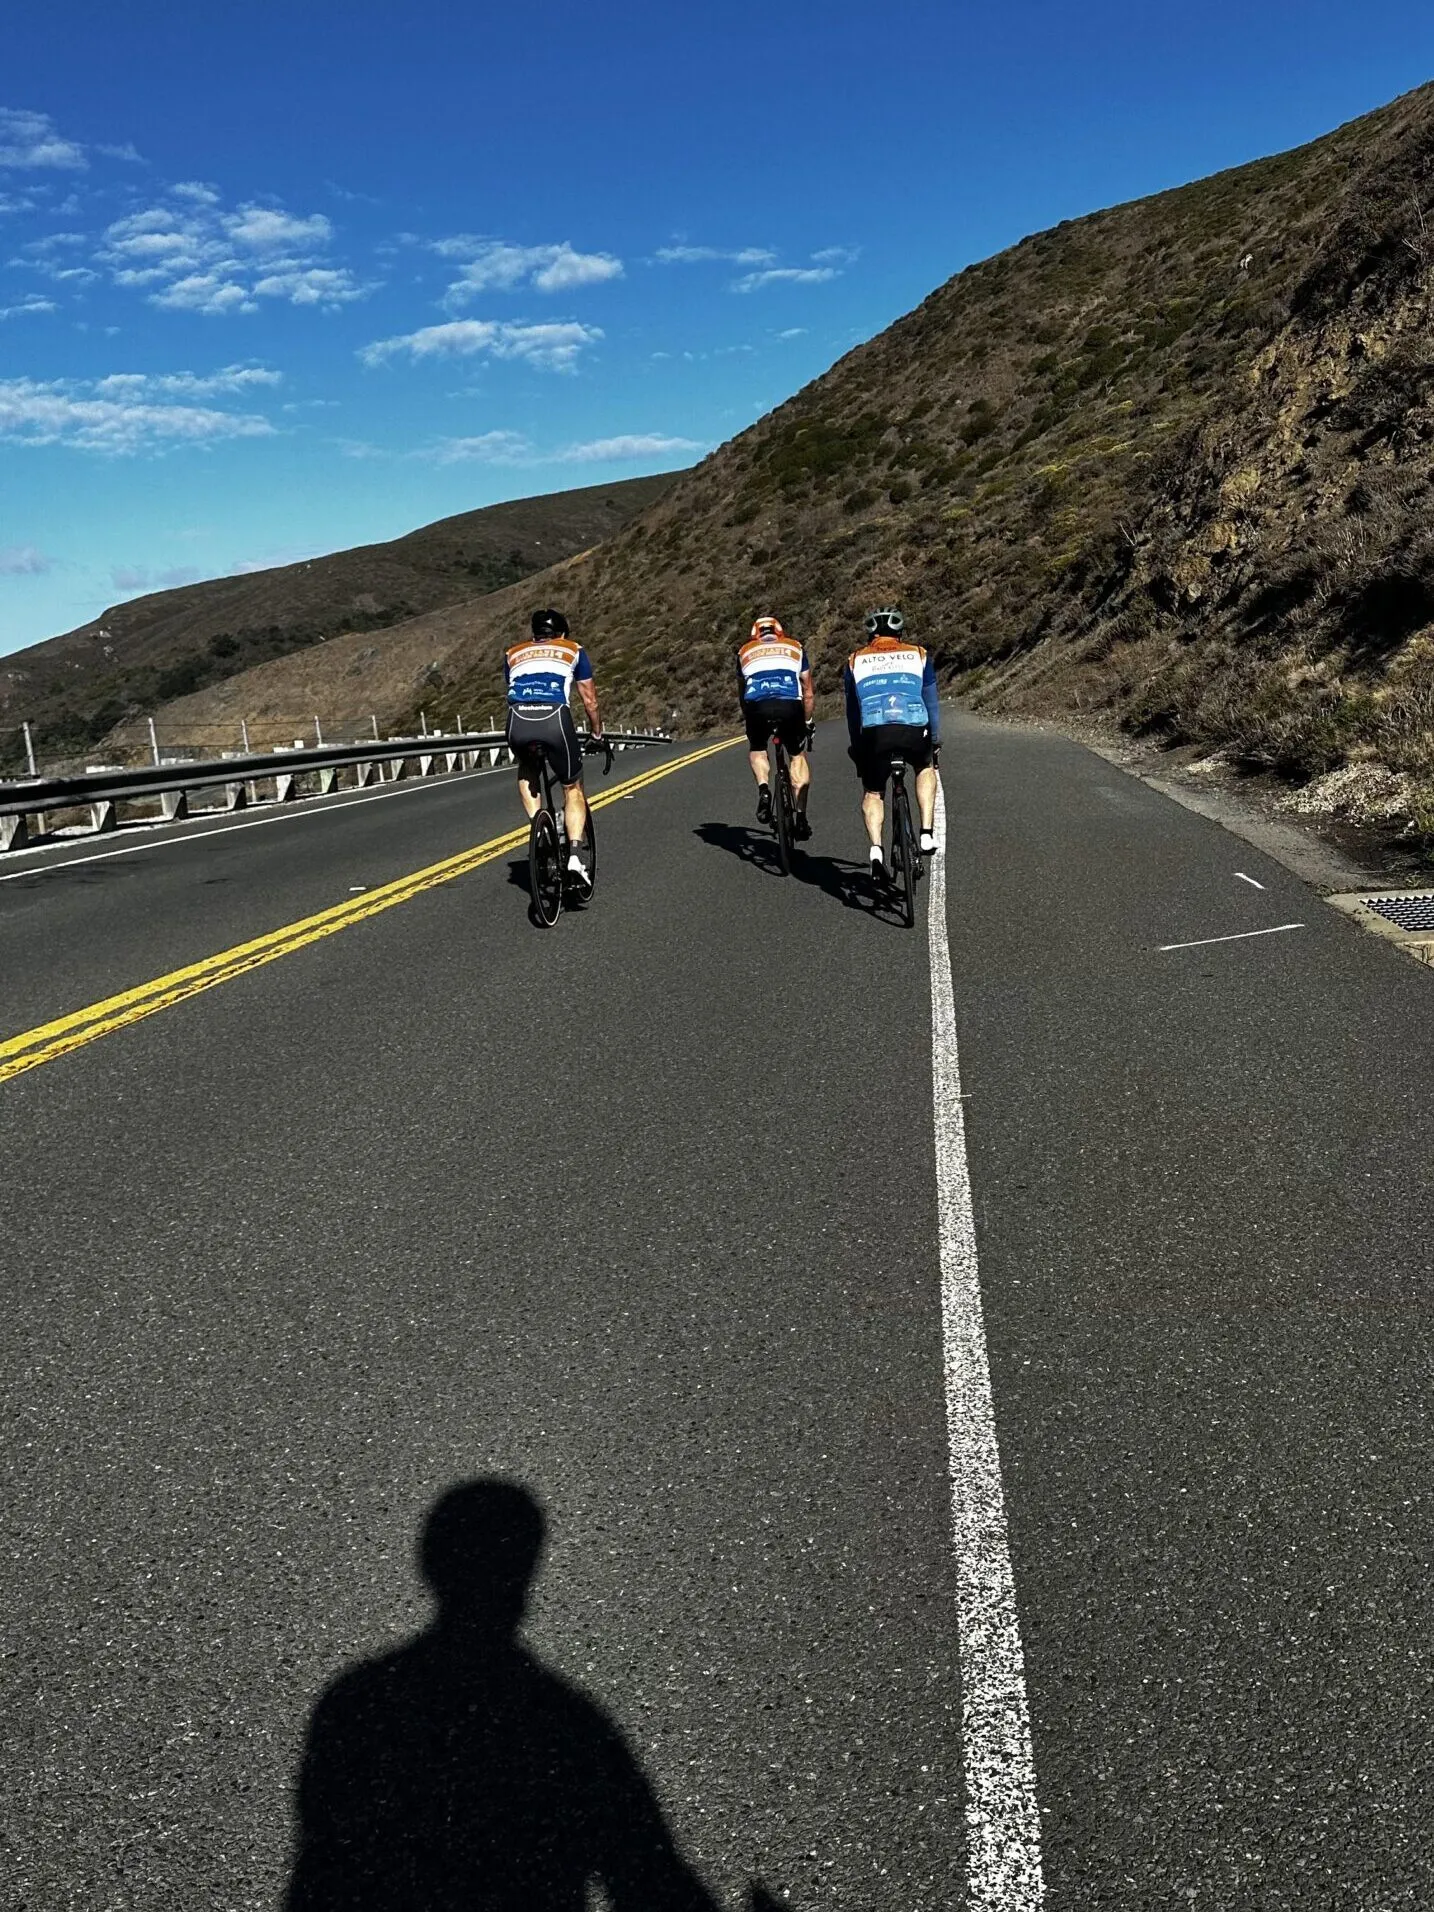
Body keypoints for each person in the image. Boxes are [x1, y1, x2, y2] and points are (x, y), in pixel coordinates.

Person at [505, 609, 603, 891]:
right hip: (555, 720)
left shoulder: (512, 652)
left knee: (527, 769)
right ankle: (573, 857)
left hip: (518, 721)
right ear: (561, 634)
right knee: (572, 788)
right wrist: (596, 733)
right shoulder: (574, 650)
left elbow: (513, 689)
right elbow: (590, 701)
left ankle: (540, 827)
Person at [843, 607, 940, 880]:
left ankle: (876, 849)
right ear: (899, 633)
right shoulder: (919, 654)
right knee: (924, 767)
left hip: (874, 732)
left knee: (874, 792)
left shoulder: (855, 660)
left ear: (871, 634)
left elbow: (853, 712)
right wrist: (934, 741)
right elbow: (931, 703)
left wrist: (858, 746)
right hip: (913, 726)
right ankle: (926, 834)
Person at [736, 614, 814, 840]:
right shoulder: (795, 647)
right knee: (797, 755)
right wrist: (807, 721)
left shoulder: (744, 651)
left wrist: (748, 715)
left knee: (758, 748)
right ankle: (800, 816)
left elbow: (742, 692)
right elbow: (807, 691)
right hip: (789, 706)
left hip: (757, 707)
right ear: (780, 633)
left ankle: (763, 790)